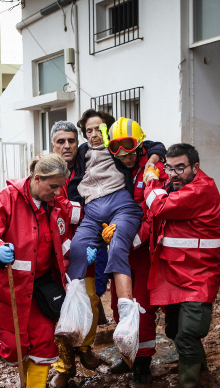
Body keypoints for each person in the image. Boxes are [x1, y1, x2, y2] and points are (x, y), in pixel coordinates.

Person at [0, 153, 80, 388]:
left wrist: (79, 255)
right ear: (36, 179)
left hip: (42, 288)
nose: (58, 193)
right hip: (9, 289)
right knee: (15, 345)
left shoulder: (55, 204)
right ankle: (23, 384)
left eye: (61, 187)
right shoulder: (7, 198)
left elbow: (62, 239)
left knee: (45, 340)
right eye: (53, 186)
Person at [63, 110, 164, 358]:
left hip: (126, 216)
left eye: (99, 129)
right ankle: (73, 318)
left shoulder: (118, 149)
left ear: (109, 132)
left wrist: (152, 160)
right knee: (79, 252)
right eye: (89, 131)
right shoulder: (82, 154)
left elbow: (152, 145)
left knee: (120, 252)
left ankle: (130, 322)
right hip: (94, 214)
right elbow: (61, 157)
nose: (95, 135)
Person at [143, 144, 220, 388]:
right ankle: (199, 366)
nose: (174, 174)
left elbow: (159, 206)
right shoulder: (176, 184)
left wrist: (151, 179)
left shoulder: (201, 189)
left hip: (199, 276)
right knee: (175, 330)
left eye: (181, 167)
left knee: (188, 333)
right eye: (170, 167)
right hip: (174, 274)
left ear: (195, 168)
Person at [102, 117, 169, 388]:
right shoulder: (116, 170)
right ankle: (126, 355)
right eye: (117, 149)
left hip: (142, 251)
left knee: (141, 306)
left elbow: (155, 212)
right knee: (120, 304)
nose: (125, 155)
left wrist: (134, 241)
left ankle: (142, 365)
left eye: (129, 148)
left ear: (140, 145)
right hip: (120, 250)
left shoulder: (152, 170)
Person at [47, 121, 102, 388]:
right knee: (59, 310)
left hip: (85, 246)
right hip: (54, 250)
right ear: (52, 144)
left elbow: (152, 146)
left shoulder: (87, 161)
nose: (66, 146)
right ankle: (64, 367)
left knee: (90, 299)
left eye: (71, 140)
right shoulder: (45, 171)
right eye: (60, 141)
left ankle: (85, 346)